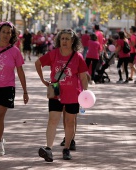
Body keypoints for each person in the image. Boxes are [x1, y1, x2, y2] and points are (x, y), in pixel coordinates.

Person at [35, 29, 88, 162]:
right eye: (62, 38)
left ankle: (67, 149)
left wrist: (85, 93)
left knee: (70, 122)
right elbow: (38, 63)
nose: (64, 41)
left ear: (73, 41)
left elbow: (83, 77)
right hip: (55, 92)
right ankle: (48, 149)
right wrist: (43, 81)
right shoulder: (54, 54)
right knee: (53, 120)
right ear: (59, 40)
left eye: (67, 39)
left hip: (73, 95)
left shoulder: (78, 57)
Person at [0, 21, 29, 162]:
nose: (6, 35)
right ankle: (0, 139)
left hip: (7, 87)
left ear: (12, 35)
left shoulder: (15, 51)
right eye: (4, 32)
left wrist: (25, 91)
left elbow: (20, 71)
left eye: (9, 32)